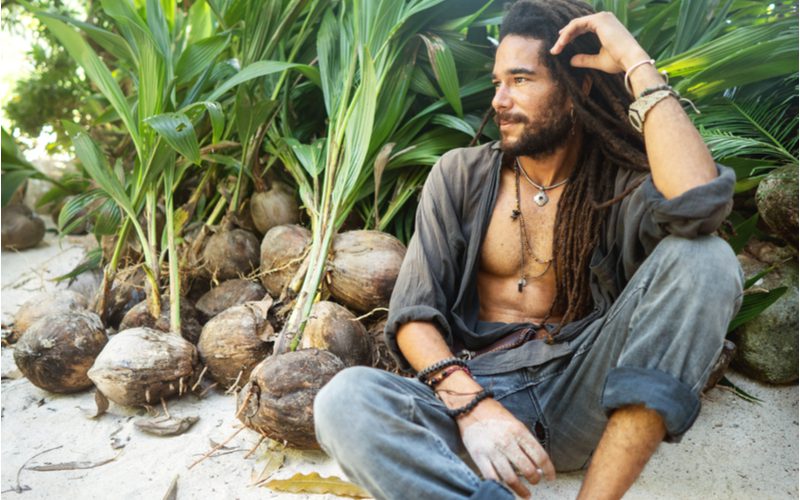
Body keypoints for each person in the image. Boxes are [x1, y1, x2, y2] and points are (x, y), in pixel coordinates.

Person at [314, 1, 743, 498]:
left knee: (706, 259)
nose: (499, 99)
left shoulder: (618, 185)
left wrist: (635, 63)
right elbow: (414, 317)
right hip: (477, 384)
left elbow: (699, 206)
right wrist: (475, 409)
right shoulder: (460, 175)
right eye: (498, 83)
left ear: (576, 88)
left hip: (584, 388)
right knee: (344, 400)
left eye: (520, 80)